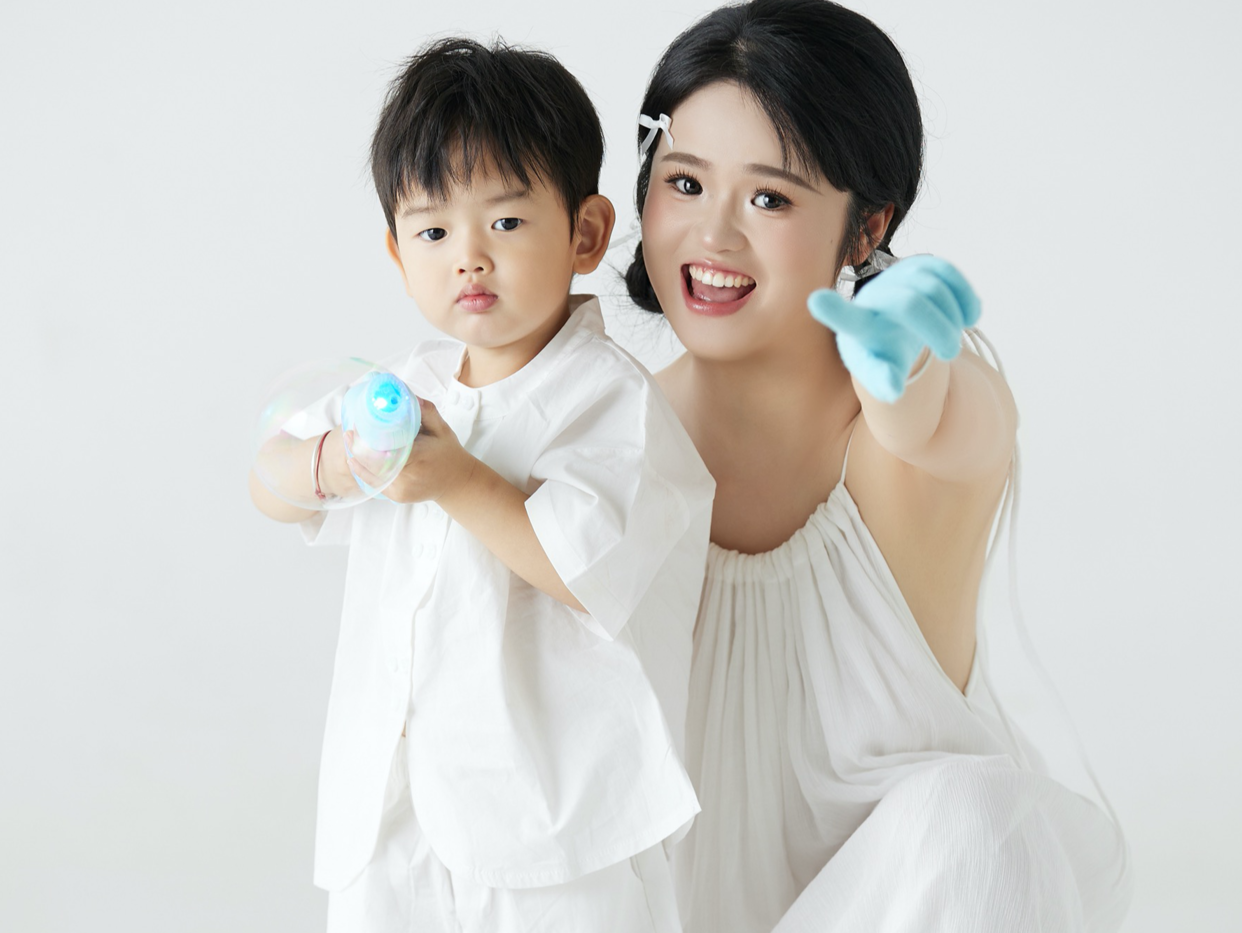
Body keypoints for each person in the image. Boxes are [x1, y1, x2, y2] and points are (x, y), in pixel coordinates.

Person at [622, 2, 1132, 930]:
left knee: (982, 822)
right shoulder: (604, 440)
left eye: (770, 198)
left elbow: (942, 425)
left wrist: (904, 371)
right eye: (685, 183)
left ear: (867, 231)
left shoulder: (915, 422)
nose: (714, 235)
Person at [249, 37, 713, 933]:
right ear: (398, 255)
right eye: (433, 232)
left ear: (585, 234)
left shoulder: (613, 402)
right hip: (393, 811)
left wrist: (455, 478)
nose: (468, 256)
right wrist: (336, 461)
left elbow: (581, 566)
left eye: (504, 222)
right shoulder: (398, 392)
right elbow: (271, 481)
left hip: (551, 820)